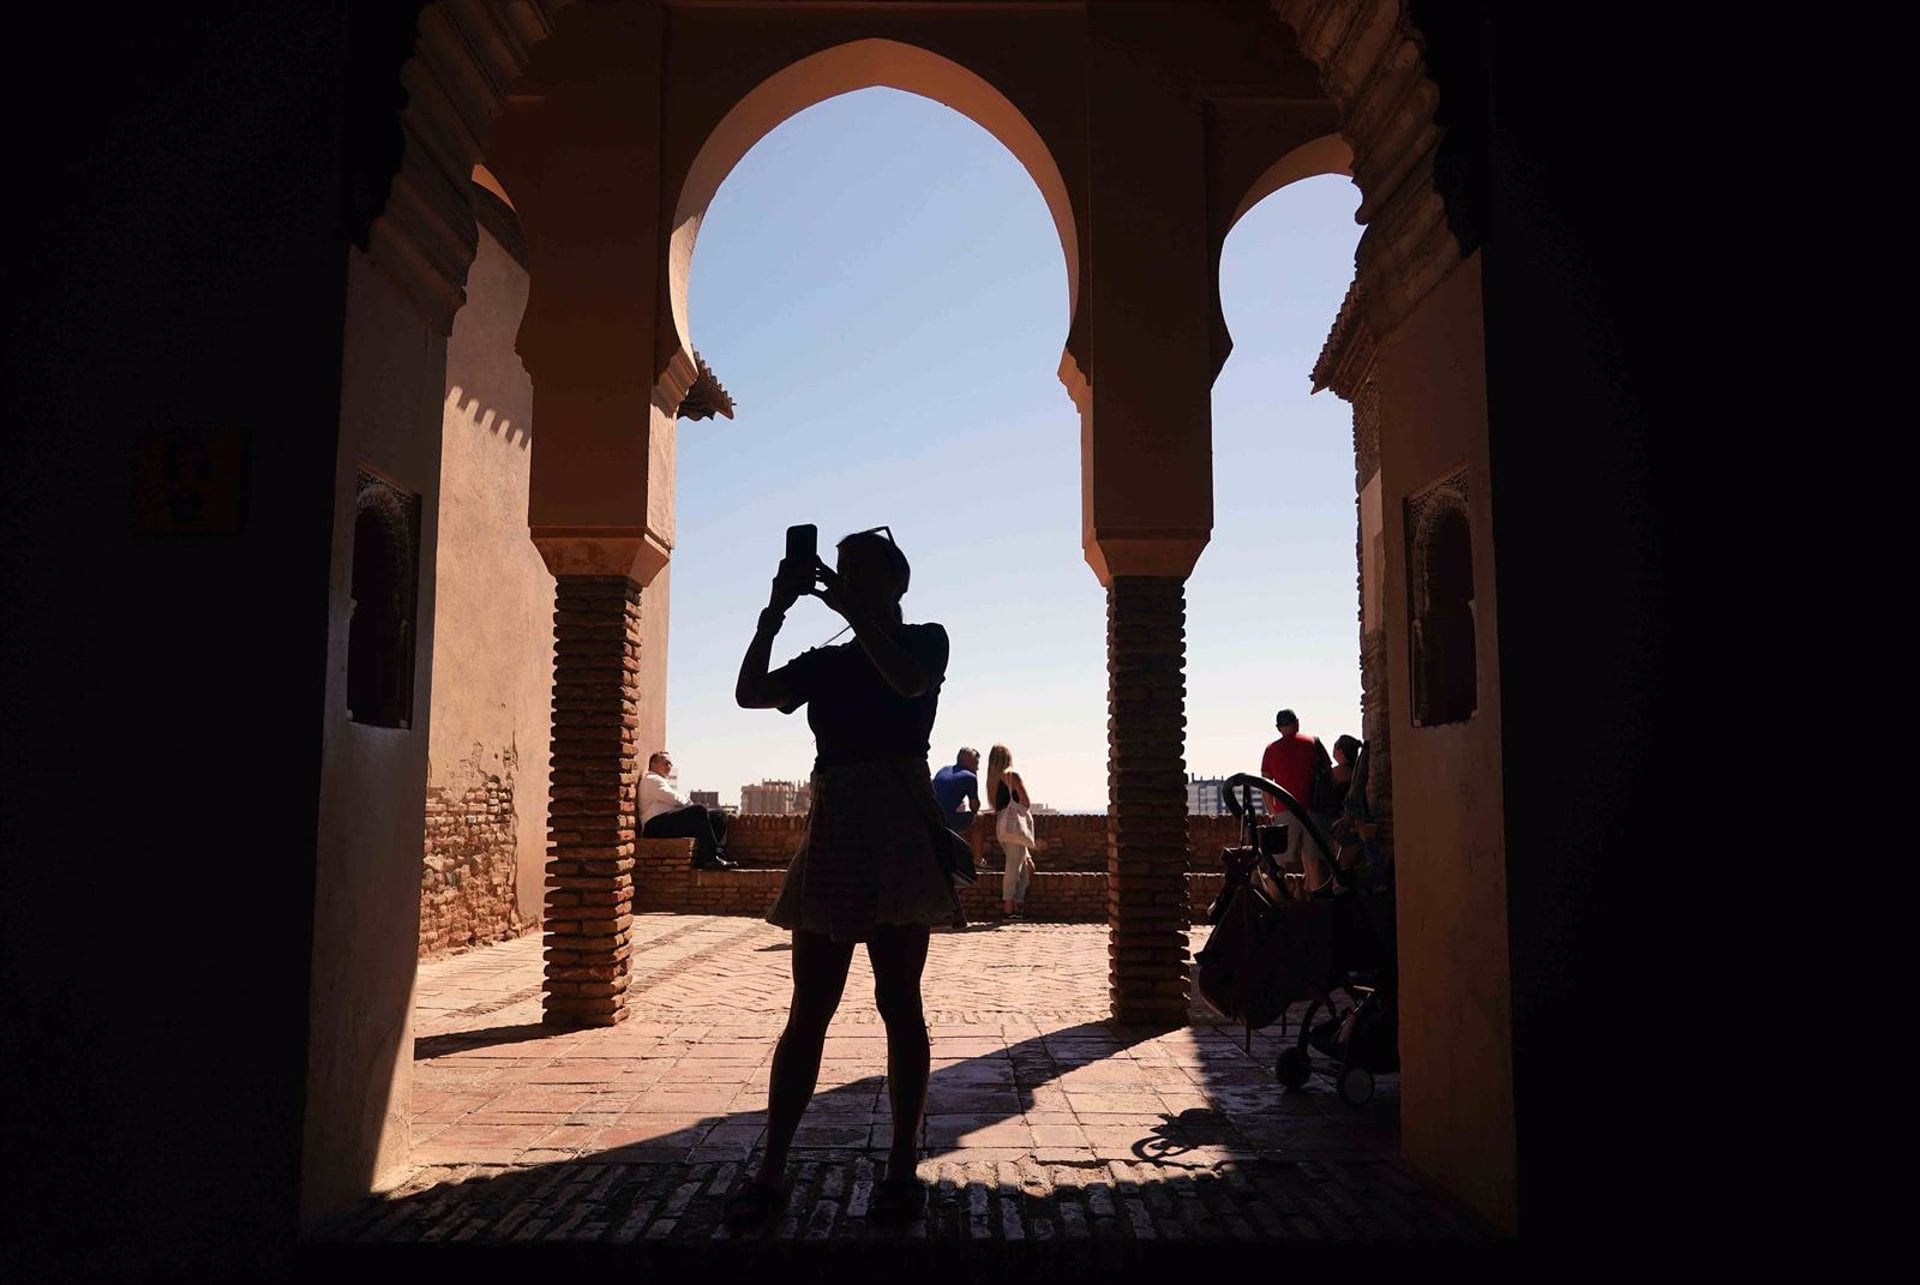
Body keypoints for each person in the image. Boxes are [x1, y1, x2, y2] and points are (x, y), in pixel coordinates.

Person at [726, 527, 959, 1231]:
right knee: (810, 1008)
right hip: (836, 825)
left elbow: (909, 682)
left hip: (896, 827)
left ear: (896, 581)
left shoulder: (927, 638)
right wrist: (774, 609)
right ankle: (772, 1168)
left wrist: (855, 613)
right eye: (843, 568)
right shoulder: (826, 662)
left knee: (900, 999)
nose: (846, 577)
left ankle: (900, 1165)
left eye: (860, 569)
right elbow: (749, 693)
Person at [1259, 709, 1335, 893]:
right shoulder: (1313, 743)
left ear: (1278, 728)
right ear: (1297, 722)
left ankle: (1274, 909)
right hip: (1314, 810)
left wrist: (1272, 811)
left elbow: (1265, 785)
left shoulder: (1271, 749)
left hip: (1285, 810)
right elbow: (1328, 774)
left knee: (1278, 867)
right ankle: (1315, 911)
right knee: (1314, 863)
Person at [637, 751, 735, 870]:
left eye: (670, 764)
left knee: (719, 816)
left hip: (666, 823)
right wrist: (690, 804)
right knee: (698, 811)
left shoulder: (660, 781)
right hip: (654, 827)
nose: (669, 767)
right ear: (653, 764)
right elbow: (675, 799)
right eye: (666, 763)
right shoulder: (652, 779)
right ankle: (710, 859)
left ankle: (715, 854)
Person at [984, 743, 1040, 920]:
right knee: (1013, 868)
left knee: (1022, 868)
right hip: (1015, 829)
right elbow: (1026, 802)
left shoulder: (992, 781)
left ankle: (1018, 905)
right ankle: (1009, 908)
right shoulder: (1011, 776)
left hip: (1003, 828)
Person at [931, 747, 981, 836]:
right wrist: (974, 776)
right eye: (976, 763)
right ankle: (977, 848)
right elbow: (974, 807)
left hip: (931, 817)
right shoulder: (970, 777)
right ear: (970, 762)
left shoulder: (944, 769)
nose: (977, 768)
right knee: (978, 818)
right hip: (947, 820)